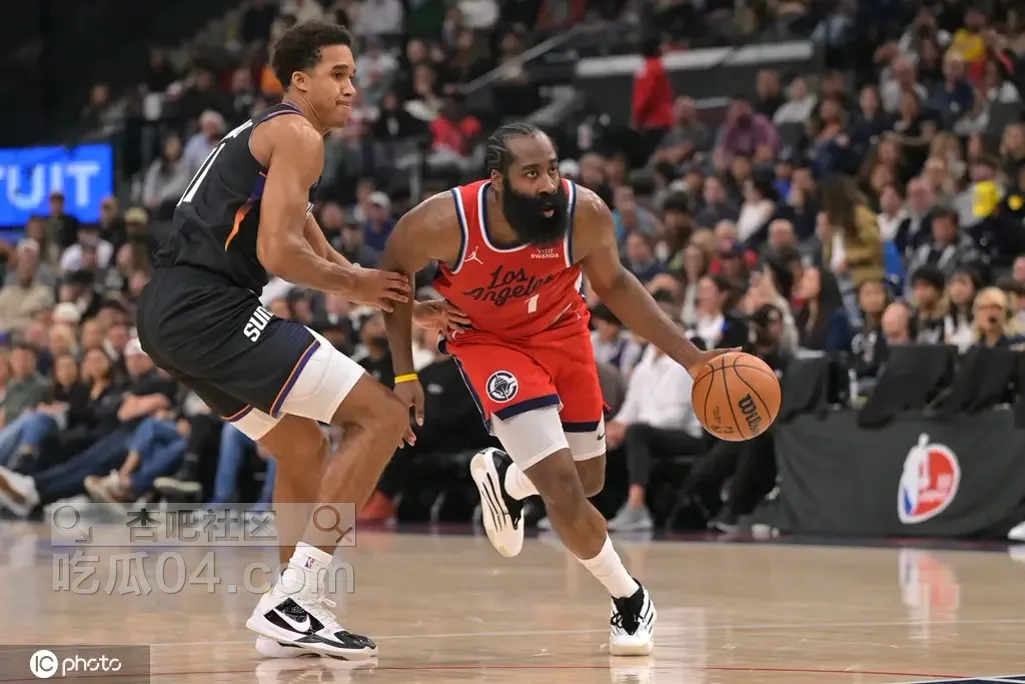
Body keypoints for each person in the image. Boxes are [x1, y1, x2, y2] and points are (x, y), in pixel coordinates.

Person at [136, 21, 463, 661]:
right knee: (381, 416)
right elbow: (279, 254)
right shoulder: (298, 134)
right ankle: (297, 598)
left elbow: (316, 244)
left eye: (353, 76)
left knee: (302, 445)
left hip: (167, 315)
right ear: (299, 81)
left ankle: (292, 611)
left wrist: (391, 299)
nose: (351, 89)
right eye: (338, 75)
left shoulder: (267, 134)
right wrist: (360, 284)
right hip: (209, 307)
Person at [379, 122, 731, 656]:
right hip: (489, 343)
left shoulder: (582, 212)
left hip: (563, 332)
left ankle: (508, 478)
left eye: (551, 169)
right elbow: (391, 277)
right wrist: (405, 373)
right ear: (497, 180)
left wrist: (694, 360)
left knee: (588, 479)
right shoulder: (443, 222)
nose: (547, 184)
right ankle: (630, 597)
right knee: (564, 487)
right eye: (531, 174)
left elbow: (617, 286)